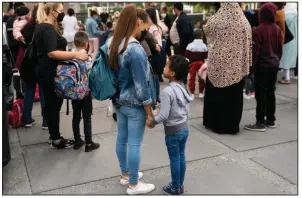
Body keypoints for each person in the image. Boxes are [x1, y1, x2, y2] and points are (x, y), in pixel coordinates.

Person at [108, 5, 156, 195]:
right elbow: (141, 86)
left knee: (122, 138)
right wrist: (149, 112)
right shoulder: (134, 49)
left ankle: (126, 174)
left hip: (119, 100)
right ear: (138, 22)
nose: (146, 31)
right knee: (135, 143)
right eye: (145, 26)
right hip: (134, 103)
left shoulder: (116, 43)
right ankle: (134, 184)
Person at [35, 3, 89, 148]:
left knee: (51, 105)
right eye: (59, 11)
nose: (61, 13)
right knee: (53, 105)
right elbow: (52, 53)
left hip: (46, 71)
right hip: (49, 72)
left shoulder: (42, 26)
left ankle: (54, 135)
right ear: (52, 12)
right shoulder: (47, 28)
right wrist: (76, 54)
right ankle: (56, 139)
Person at [203, 3, 252, 135]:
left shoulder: (216, 19)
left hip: (217, 64)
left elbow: (206, 29)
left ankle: (212, 123)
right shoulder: (244, 22)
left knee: (215, 94)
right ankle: (230, 126)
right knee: (233, 96)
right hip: (235, 66)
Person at [147, 55, 193, 195]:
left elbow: (164, 115)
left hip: (173, 132)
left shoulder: (167, 91)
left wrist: (152, 122)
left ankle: (175, 188)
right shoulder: (183, 88)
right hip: (184, 128)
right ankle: (180, 185)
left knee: (174, 159)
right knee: (181, 157)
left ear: (172, 73)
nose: (163, 67)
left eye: (166, 66)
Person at [244, 3, 283, 132]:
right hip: (274, 65)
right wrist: (276, 61)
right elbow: (279, 49)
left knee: (260, 94)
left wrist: (251, 69)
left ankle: (260, 121)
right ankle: (271, 120)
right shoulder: (277, 29)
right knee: (271, 93)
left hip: (262, 66)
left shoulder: (258, 30)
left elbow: (255, 53)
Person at [71, 31, 100, 152]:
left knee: (76, 116)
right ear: (87, 44)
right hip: (85, 92)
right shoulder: (87, 58)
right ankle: (89, 143)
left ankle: (77, 141)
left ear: (74, 43)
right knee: (87, 117)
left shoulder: (70, 55)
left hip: (74, 92)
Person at [20, 5, 47, 129]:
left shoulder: (26, 28)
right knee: (44, 93)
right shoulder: (45, 28)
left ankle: (26, 119)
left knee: (29, 92)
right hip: (41, 64)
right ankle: (46, 121)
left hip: (28, 64)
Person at [184, 30, 208, 99]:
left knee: (192, 78)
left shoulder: (190, 45)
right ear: (201, 36)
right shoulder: (204, 45)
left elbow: (186, 55)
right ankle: (201, 92)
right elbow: (206, 56)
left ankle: (192, 93)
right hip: (201, 63)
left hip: (192, 63)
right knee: (201, 78)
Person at [279, 3, 298, 84]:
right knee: (289, 59)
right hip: (294, 40)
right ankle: (287, 76)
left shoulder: (285, 16)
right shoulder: (297, 16)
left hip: (286, 40)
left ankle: (287, 78)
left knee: (284, 58)